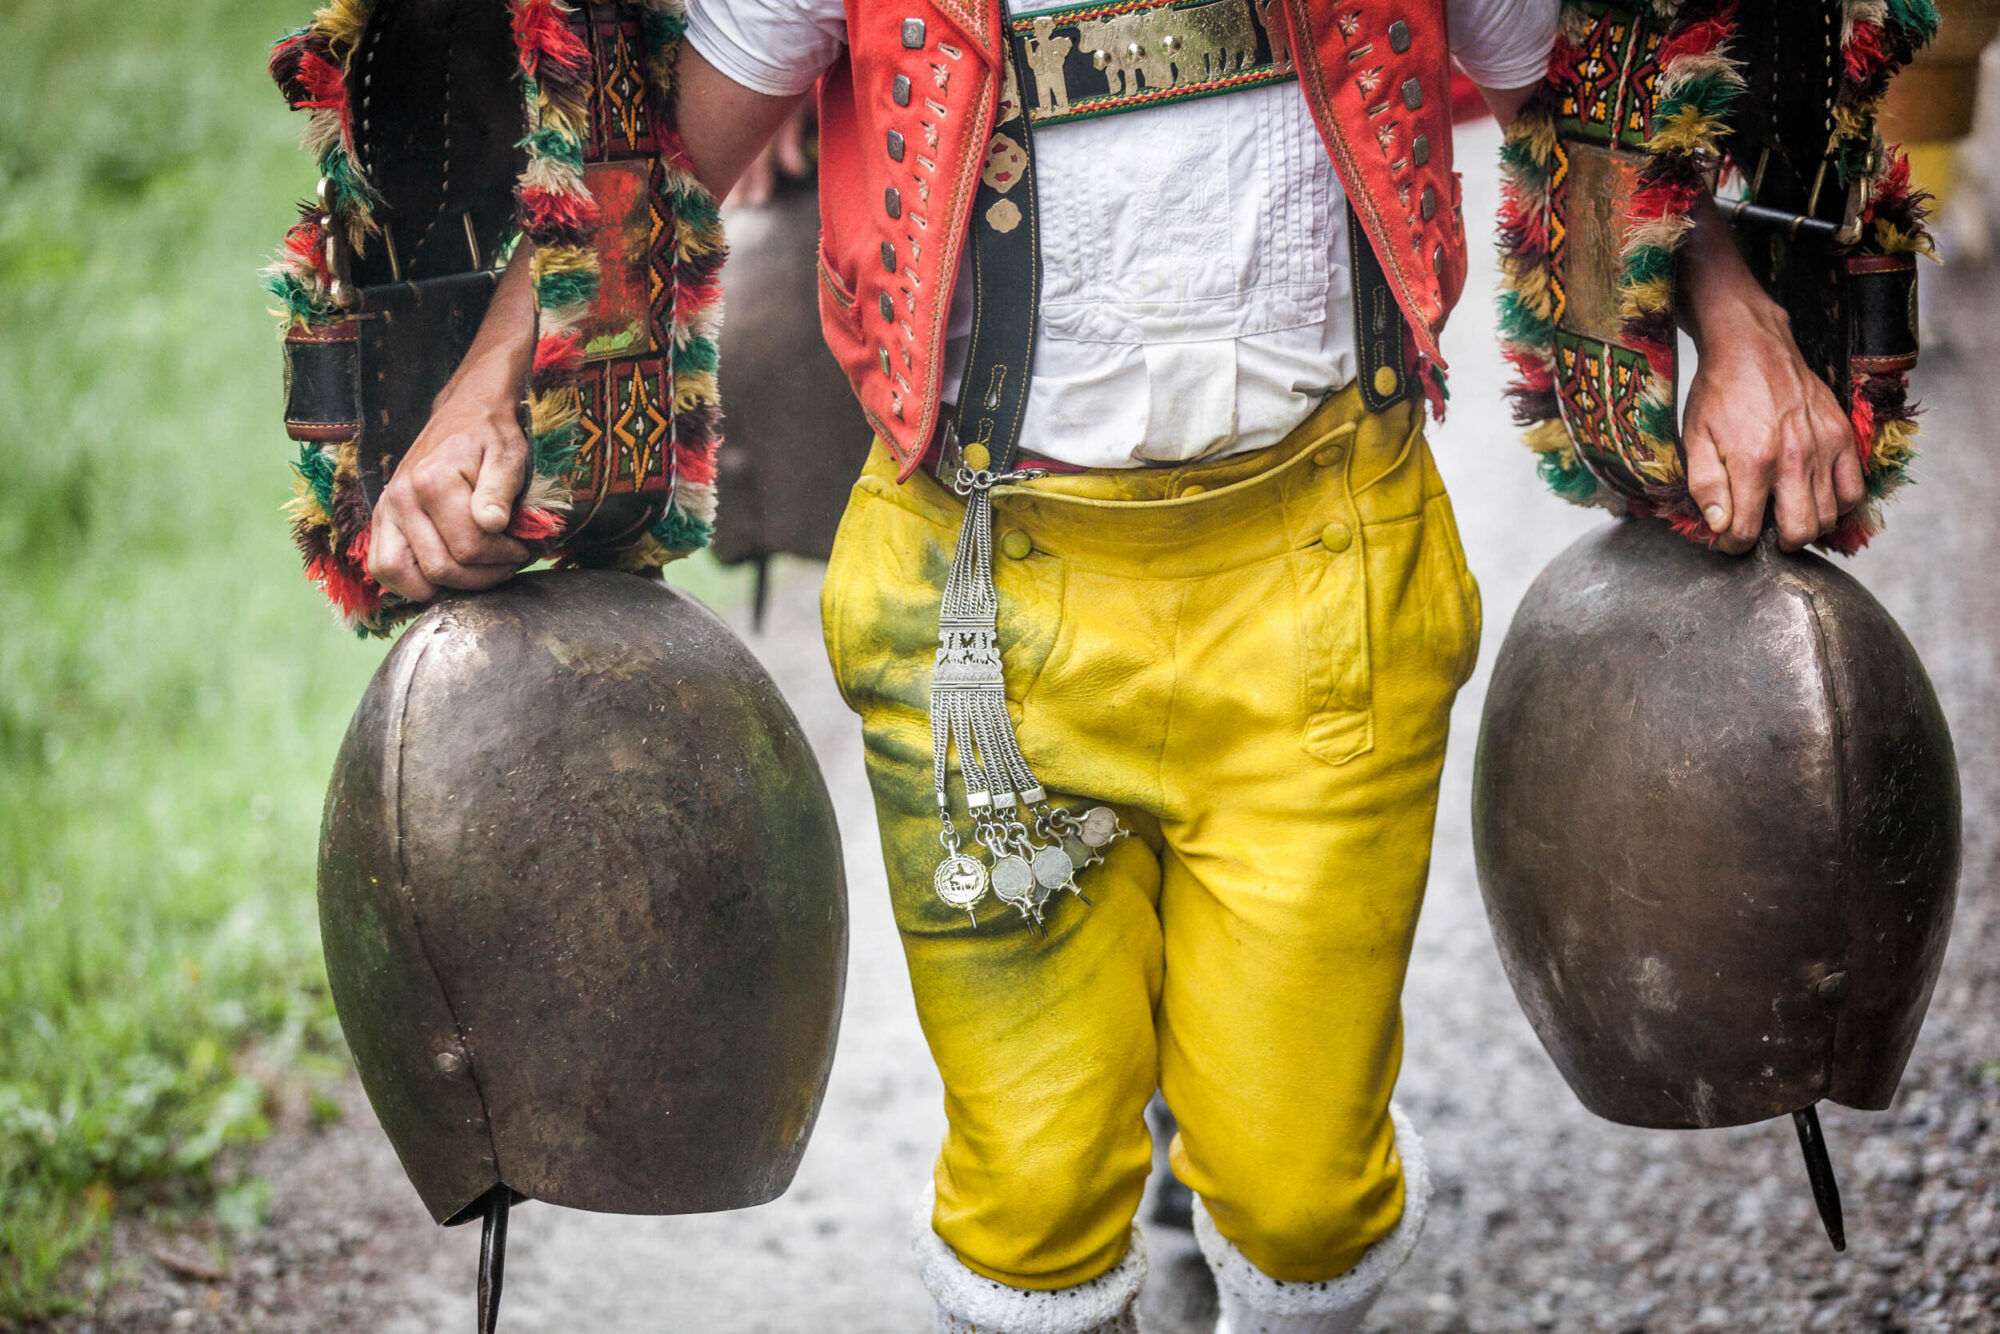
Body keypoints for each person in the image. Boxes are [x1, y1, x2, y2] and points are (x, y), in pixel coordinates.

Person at [362, 2, 1859, 1330]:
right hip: (978, 614)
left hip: (1324, 586)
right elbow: (666, 156)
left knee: (1300, 1190)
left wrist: (1738, 323)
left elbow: (1575, 79)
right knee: (1032, 1187)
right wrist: (489, 384)